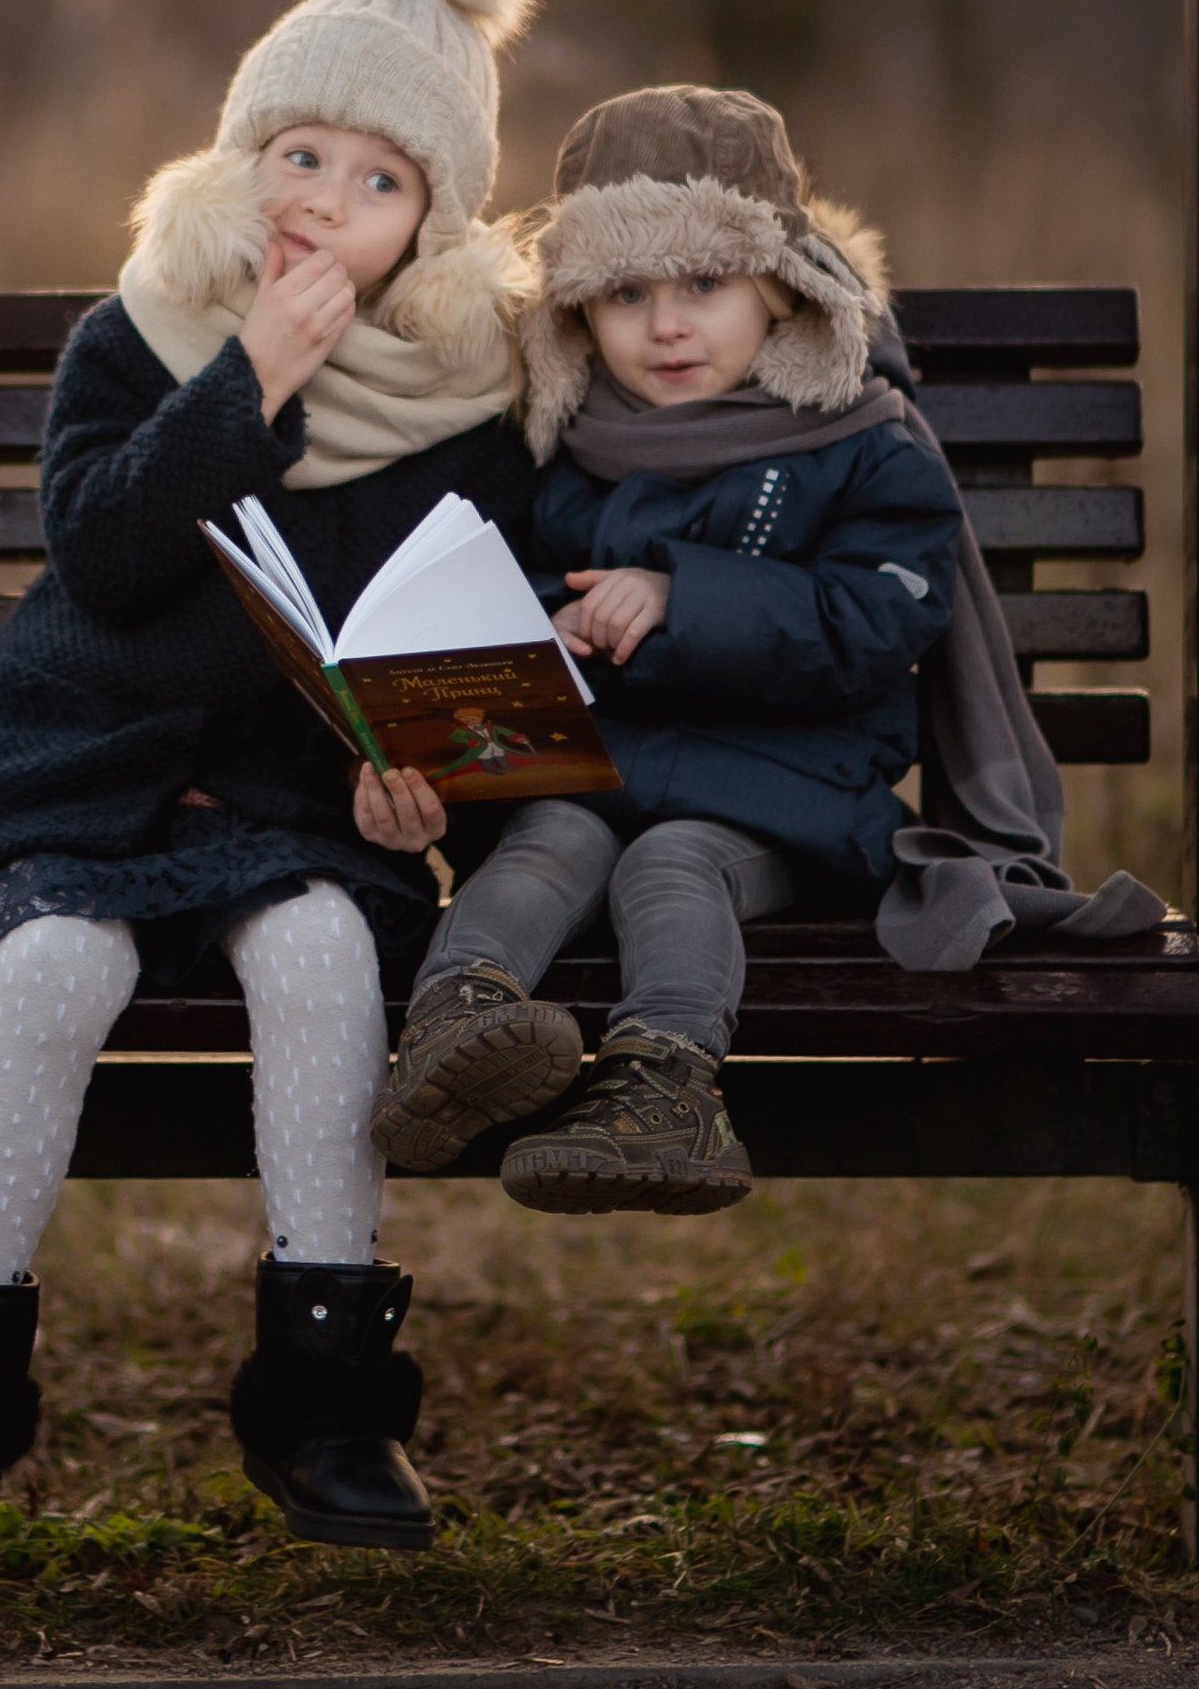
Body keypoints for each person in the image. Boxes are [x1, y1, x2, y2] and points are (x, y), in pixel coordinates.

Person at [0, 0, 538, 1566]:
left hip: (302, 811)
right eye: (295, 152)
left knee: (319, 965)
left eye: (373, 180)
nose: (319, 198)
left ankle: (326, 1402)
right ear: (242, 155)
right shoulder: (145, 332)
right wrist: (252, 388)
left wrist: (429, 791)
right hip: (84, 780)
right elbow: (106, 549)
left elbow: (468, 657)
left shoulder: (464, 405)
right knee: (52, 969)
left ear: (428, 227)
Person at [361, 84, 962, 1213]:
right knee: (543, 842)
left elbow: (879, 618)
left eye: (702, 284)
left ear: (779, 287)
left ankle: (665, 1088)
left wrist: (685, 602)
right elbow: (499, 571)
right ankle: (457, 1028)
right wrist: (539, 622)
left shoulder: (862, 448)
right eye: (623, 295)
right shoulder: (570, 446)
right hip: (597, 776)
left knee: (668, 863)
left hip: (783, 802)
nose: (666, 325)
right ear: (576, 316)